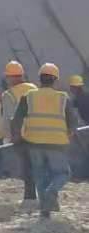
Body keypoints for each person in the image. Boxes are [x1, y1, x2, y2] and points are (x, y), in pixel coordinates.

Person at [11, 62, 83, 219]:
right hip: (56, 144)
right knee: (63, 173)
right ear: (55, 80)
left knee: (40, 175)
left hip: (33, 143)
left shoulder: (28, 96)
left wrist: (17, 139)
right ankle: (51, 192)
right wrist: (69, 134)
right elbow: (73, 123)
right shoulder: (63, 98)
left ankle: (45, 211)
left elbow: (16, 121)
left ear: (40, 79)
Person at [1, 60, 39, 203]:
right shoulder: (34, 88)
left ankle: (30, 199)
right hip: (38, 133)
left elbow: (9, 118)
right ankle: (43, 196)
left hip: (22, 135)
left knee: (27, 167)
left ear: (10, 77)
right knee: (39, 166)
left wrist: (7, 137)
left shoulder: (8, 94)